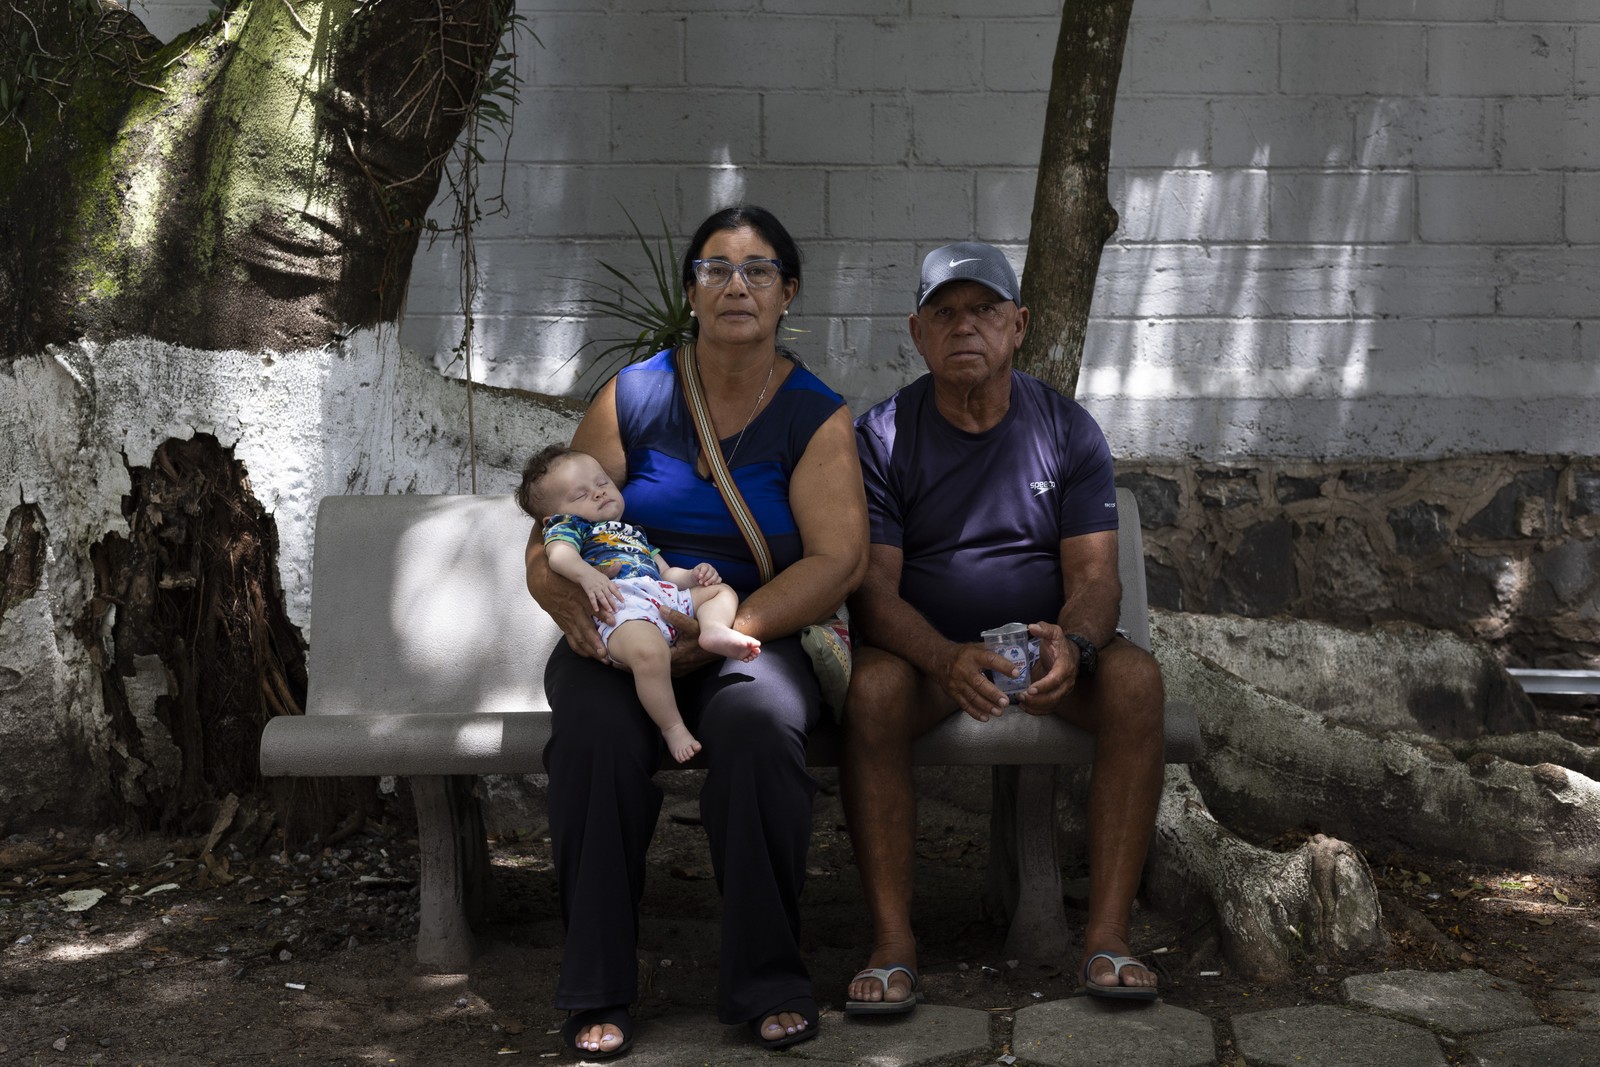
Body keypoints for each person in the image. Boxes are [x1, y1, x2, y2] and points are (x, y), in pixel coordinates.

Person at [524, 205, 868, 1056]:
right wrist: (569, 603)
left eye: (757, 270)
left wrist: (726, 627)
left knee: (757, 729)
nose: (736, 285)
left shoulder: (815, 413)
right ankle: (598, 985)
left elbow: (835, 560)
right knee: (595, 740)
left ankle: (768, 979)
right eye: (715, 268)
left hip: (746, 625)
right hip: (624, 627)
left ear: (788, 292)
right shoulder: (634, 394)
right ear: (691, 291)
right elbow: (552, 527)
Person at [841, 241, 1167, 1013]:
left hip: (1042, 648)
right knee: (873, 691)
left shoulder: (1068, 429)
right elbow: (873, 592)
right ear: (916, 333)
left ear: (1018, 325)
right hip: (933, 659)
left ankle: (1108, 935)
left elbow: (1094, 577)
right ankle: (893, 942)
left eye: (984, 310)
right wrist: (943, 655)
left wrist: (1075, 644)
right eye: (944, 313)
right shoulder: (882, 437)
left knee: (1136, 679)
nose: (965, 328)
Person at [517, 445, 762, 763]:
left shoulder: (634, 532)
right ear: (553, 518)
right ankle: (672, 727)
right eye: (580, 495)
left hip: (658, 595)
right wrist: (588, 576)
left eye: (602, 482)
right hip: (620, 605)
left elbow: (666, 572)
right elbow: (560, 556)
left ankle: (712, 631)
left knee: (721, 592)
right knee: (649, 654)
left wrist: (692, 576)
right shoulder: (570, 527)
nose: (598, 493)